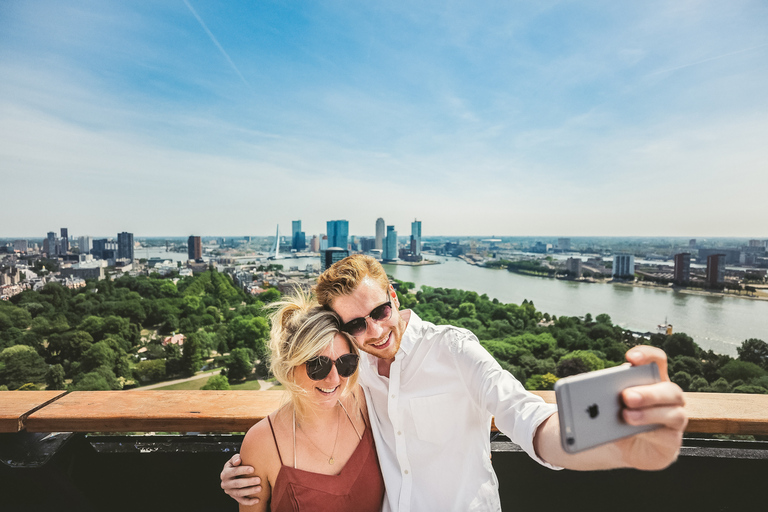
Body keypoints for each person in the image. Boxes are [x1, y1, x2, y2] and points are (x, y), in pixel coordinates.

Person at [223, 255, 688, 511]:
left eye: (381, 312)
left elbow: (526, 418)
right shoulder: (352, 368)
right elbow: (305, 397)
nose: (376, 332)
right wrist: (248, 470)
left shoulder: (455, 350)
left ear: (394, 296)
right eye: (357, 325)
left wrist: (619, 445)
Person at [236, 291, 384, 511]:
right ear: (290, 366)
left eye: (345, 364)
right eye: (318, 366)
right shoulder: (262, 443)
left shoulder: (365, 406)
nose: (334, 378)